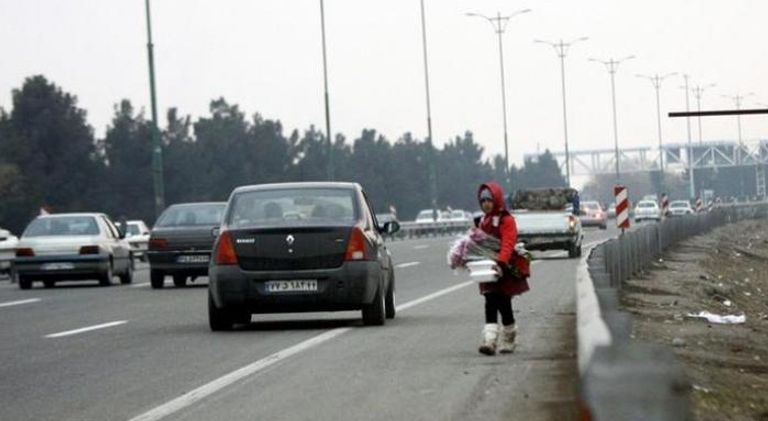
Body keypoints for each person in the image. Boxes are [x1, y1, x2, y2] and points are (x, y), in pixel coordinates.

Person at [475, 182, 530, 356]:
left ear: (496, 199)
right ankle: (489, 340)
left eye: (489, 200)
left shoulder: (506, 219)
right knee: (490, 301)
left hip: (503, 267)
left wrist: (501, 263)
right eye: (483, 201)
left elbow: (508, 242)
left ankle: (508, 337)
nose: (486, 204)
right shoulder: (482, 221)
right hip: (487, 267)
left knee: (503, 303)